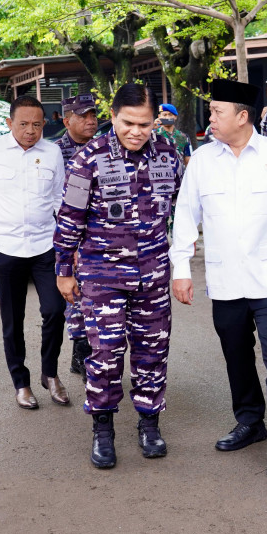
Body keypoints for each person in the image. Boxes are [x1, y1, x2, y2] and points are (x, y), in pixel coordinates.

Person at [171, 78, 267, 479]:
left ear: (242, 116)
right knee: (236, 355)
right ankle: (250, 421)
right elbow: (185, 216)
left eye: (217, 111)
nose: (211, 118)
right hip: (226, 281)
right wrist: (181, 269)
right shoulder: (203, 160)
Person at [54, 83, 180, 469]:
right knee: (106, 356)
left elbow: (179, 207)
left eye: (145, 124)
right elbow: (70, 218)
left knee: (152, 353)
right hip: (102, 275)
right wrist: (63, 270)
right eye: (128, 123)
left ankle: (149, 424)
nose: (137, 131)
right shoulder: (88, 158)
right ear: (113, 117)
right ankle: (103, 430)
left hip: (154, 274)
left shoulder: (167, 152)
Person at [0, 95, 68, 409]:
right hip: (5, 246)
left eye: (36, 124)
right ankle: (21, 382)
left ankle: (50, 373)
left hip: (46, 245)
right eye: (23, 124)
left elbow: (60, 196)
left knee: (55, 311)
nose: (30, 131)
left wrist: (69, 236)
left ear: (44, 123)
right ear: (9, 123)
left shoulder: (53, 152)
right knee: (12, 319)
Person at [56, 93, 99, 376]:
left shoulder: (106, 148)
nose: (91, 121)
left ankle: (89, 353)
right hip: (69, 235)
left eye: (93, 115)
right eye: (83, 116)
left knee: (96, 299)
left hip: (98, 237)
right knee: (75, 297)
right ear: (66, 120)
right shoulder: (54, 152)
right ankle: (81, 353)